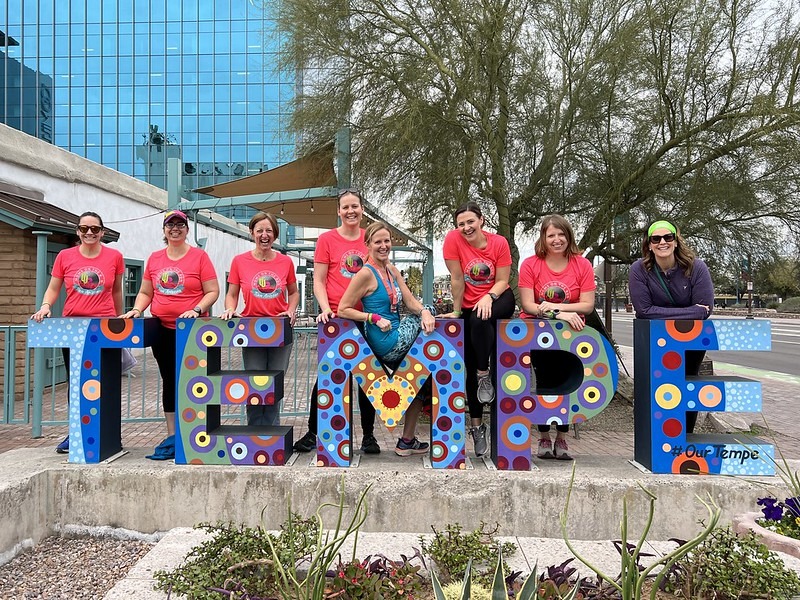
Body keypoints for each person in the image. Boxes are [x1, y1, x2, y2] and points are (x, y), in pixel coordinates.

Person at [121, 210, 219, 460]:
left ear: (187, 229)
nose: (175, 228)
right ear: (164, 230)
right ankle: (173, 436)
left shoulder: (199, 257)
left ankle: (198, 435)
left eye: (180, 224)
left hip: (194, 332)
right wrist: (136, 309)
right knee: (170, 380)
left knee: (196, 382)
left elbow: (212, 291)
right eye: (170, 224)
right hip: (163, 330)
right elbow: (145, 292)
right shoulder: (155, 259)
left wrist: (196, 309)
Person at [292, 189, 380, 454]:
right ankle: (314, 431)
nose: (350, 211)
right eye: (345, 207)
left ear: (362, 209)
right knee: (329, 379)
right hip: (336, 321)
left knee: (368, 380)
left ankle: (368, 436)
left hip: (368, 319)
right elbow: (319, 279)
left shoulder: (371, 238)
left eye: (355, 206)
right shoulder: (327, 240)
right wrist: (325, 308)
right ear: (339, 211)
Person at [338, 222, 436, 456]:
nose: (383, 246)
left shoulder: (391, 269)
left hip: (397, 333)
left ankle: (407, 441)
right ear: (368, 244)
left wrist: (423, 312)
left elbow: (411, 301)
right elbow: (343, 308)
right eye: (377, 242)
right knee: (432, 313)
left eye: (387, 241)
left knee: (422, 377)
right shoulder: (365, 273)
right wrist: (371, 317)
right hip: (385, 341)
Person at [31, 212, 125, 454]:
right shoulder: (65, 256)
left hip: (105, 328)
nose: (90, 233)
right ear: (78, 232)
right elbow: (53, 288)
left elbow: (116, 292)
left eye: (95, 229)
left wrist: (121, 321)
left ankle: (109, 436)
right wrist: (45, 306)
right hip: (73, 329)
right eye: (84, 229)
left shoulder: (114, 256)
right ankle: (77, 433)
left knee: (108, 383)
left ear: (103, 232)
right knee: (78, 384)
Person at [518, 214, 596, 461]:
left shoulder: (581, 265)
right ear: (543, 238)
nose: (557, 239)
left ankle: (562, 437)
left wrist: (555, 309)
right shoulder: (531, 264)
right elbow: (530, 305)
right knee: (545, 381)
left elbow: (587, 305)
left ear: (568, 236)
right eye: (551, 235)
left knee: (568, 381)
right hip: (539, 332)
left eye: (561, 234)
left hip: (571, 335)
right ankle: (543, 436)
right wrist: (559, 313)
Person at [442, 202, 515, 457]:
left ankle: (485, 373)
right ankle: (476, 426)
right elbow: (457, 278)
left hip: (499, 297)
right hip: (470, 305)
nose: (466, 227)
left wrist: (488, 297)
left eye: (470, 221)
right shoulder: (453, 240)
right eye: (461, 224)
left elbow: (503, 279)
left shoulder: (499, 243)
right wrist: (456, 311)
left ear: (481, 220)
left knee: (480, 320)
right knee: (470, 360)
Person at [628, 219, 714, 434]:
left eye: (668, 237)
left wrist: (663, 313)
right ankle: (658, 440)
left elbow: (706, 310)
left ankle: (686, 438)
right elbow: (643, 311)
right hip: (655, 339)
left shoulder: (696, 267)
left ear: (676, 241)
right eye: (656, 239)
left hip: (691, 340)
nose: (662, 242)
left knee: (687, 386)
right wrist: (692, 311)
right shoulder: (639, 270)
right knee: (658, 388)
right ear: (649, 244)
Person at [221, 212, 299, 426]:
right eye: (260, 231)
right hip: (251, 329)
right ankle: (254, 430)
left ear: (275, 234)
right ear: (252, 233)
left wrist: (291, 310)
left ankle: (271, 432)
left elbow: (293, 292)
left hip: (280, 329)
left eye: (269, 231)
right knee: (254, 381)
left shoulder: (285, 262)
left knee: (275, 382)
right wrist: (230, 309)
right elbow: (232, 293)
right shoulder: (239, 261)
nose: (264, 235)